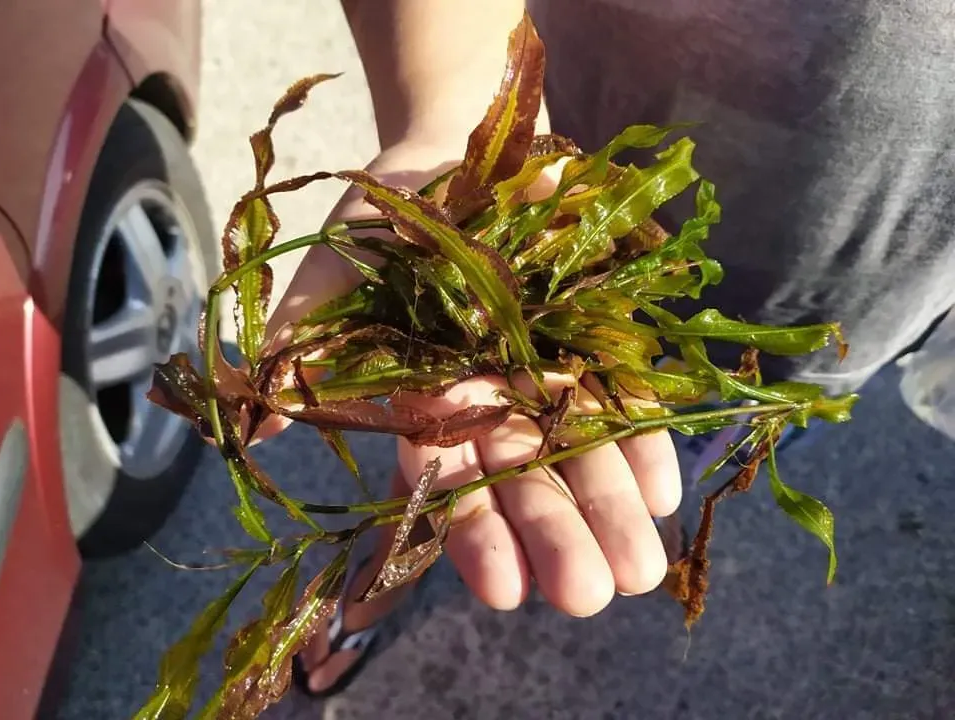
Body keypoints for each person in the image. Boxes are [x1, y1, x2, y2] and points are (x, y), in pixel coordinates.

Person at [260, 0, 955, 697]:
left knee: (713, 432)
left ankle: (664, 496)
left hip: (860, 293)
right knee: (445, 438)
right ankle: (394, 563)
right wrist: (446, 117)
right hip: (574, 171)